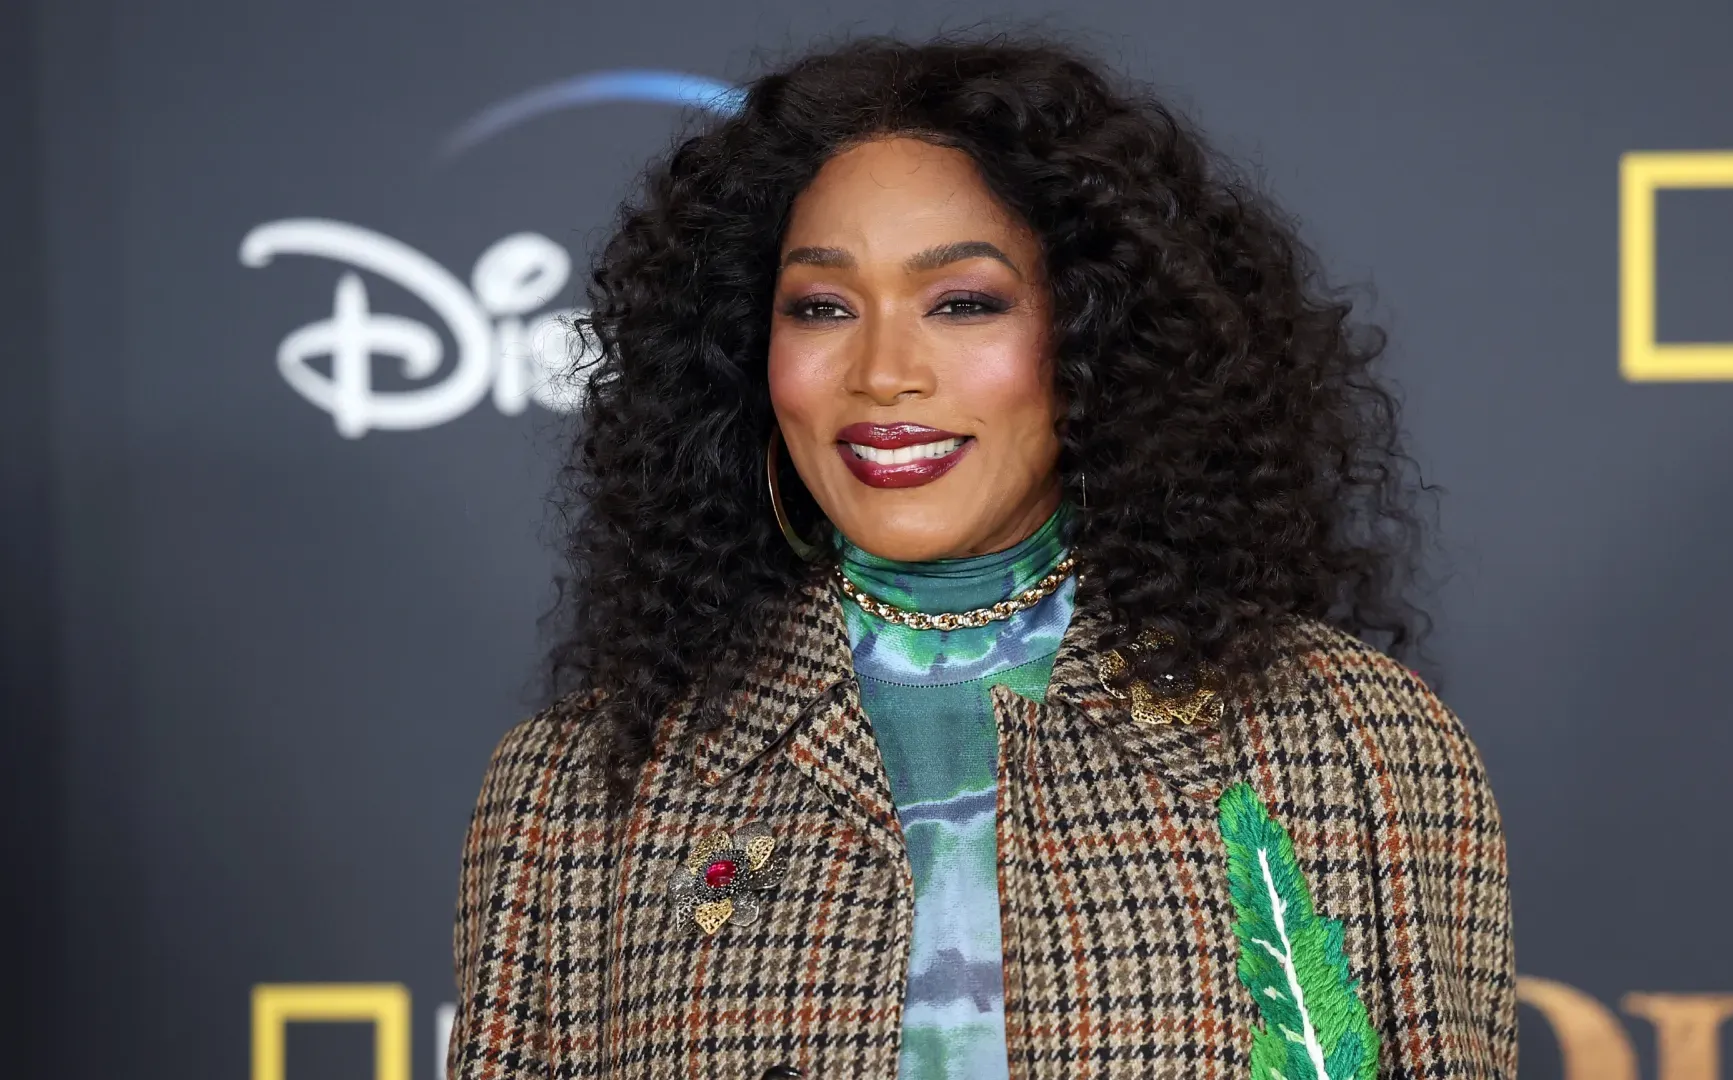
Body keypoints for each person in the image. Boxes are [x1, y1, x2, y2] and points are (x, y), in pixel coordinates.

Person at [449, 33, 1514, 1080]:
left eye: (964, 303)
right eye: (821, 307)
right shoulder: (576, 790)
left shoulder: (1352, 743)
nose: (883, 371)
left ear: (1095, 341)